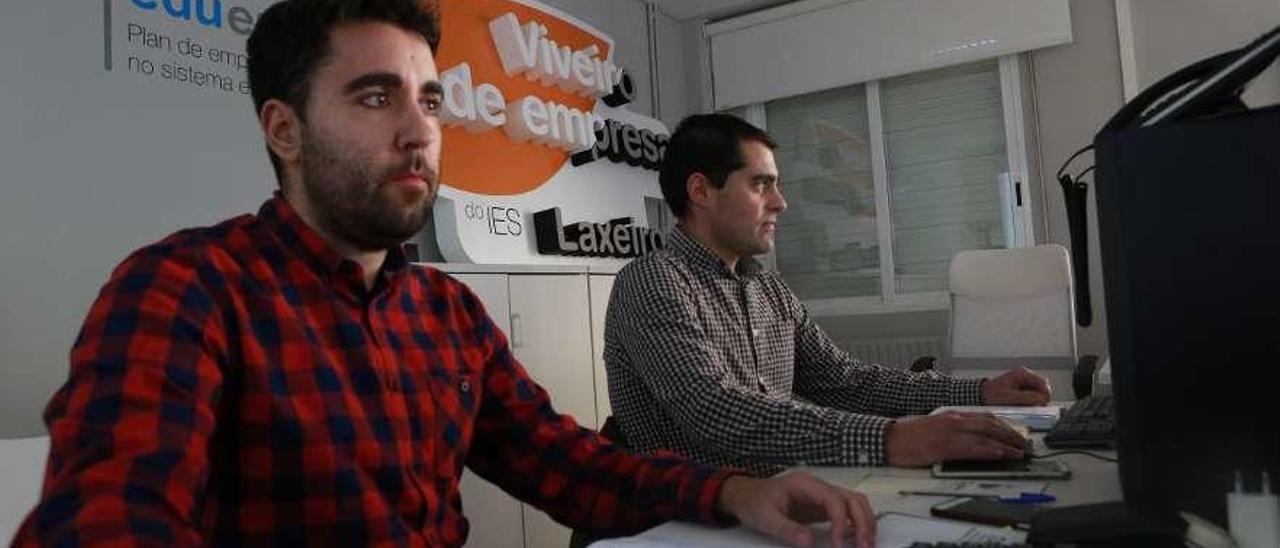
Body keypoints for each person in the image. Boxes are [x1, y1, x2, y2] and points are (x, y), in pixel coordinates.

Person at [12, 3, 877, 547]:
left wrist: (733, 493)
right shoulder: (182, 289)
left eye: (429, 101)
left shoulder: (444, 312)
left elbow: (568, 465)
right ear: (284, 130)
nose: (421, 132)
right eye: (375, 97)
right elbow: (109, 516)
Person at [604, 113, 1052, 477]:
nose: (780, 202)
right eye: (761, 184)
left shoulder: (769, 289)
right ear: (700, 190)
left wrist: (981, 391)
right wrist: (893, 438)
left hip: (770, 502)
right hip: (681, 523)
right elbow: (716, 412)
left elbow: (847, 382)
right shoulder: (652, 282)